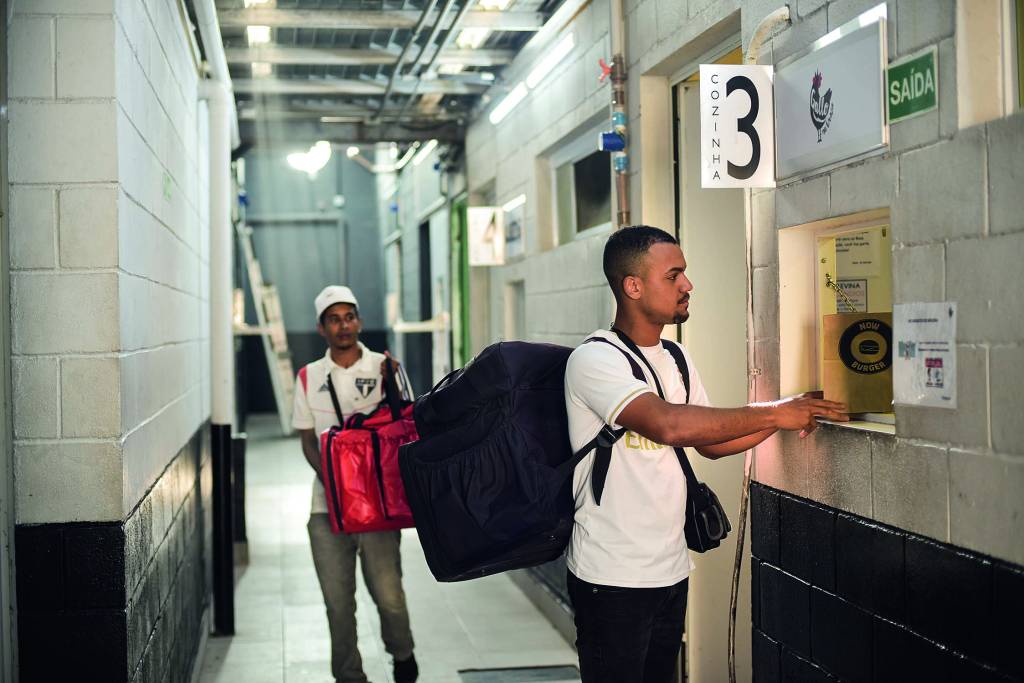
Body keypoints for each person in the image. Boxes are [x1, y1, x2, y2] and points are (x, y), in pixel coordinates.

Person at [563, 226, 848, 683]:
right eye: (673, 275)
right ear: (632, 286)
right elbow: (669, 425)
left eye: (685, 274)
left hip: (670, 568)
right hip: (610, 576)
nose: (687, 285)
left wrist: (787, 414)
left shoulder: (675, 357)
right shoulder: (596, 360)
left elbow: (712, 443)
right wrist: (774, 412)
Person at [292, 285, 419, 683]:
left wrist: (393, 383)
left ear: (359, 321)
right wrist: (333, 483)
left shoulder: (385, 367)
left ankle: (402, 654)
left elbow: (407, 427)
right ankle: (349, 675)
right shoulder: (309, 376)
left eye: (349, 316)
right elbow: (308, 440)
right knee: (337, 604)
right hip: (326, 508)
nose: (343, 325)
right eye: (334, 318)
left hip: (379, 508)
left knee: (389, 597)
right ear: (321, 327)